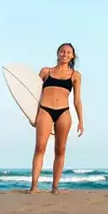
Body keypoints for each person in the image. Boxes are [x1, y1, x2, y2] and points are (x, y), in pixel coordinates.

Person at [28, 43, 85, 193]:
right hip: (45, 110)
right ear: (58, 53)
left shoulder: (75, 75)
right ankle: (34, 186)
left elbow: (77, 100)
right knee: (40, 147)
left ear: (72, 56)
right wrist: (31, 114)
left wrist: (81, 121)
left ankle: (55, 186)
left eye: (68, 52)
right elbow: (33, 94)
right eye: (62, 51)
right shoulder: (46, 71)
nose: (65, 54)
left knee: (60, 150)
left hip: (63, 112)